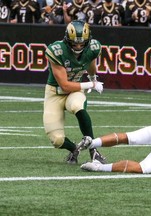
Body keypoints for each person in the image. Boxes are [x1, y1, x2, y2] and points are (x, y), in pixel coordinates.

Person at [43, 20, 107, 165]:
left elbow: (90, 62)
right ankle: (75, 149)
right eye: (74, 43)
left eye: (81, 43)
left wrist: (93, 77)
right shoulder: (57, 50)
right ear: (67, 40)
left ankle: (94, 150)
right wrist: (92, 84)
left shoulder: (93, 47)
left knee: (77, 106)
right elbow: (65, 86)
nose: (78, 46)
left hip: (75, 90)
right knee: (57, 140)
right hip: (55, 92)